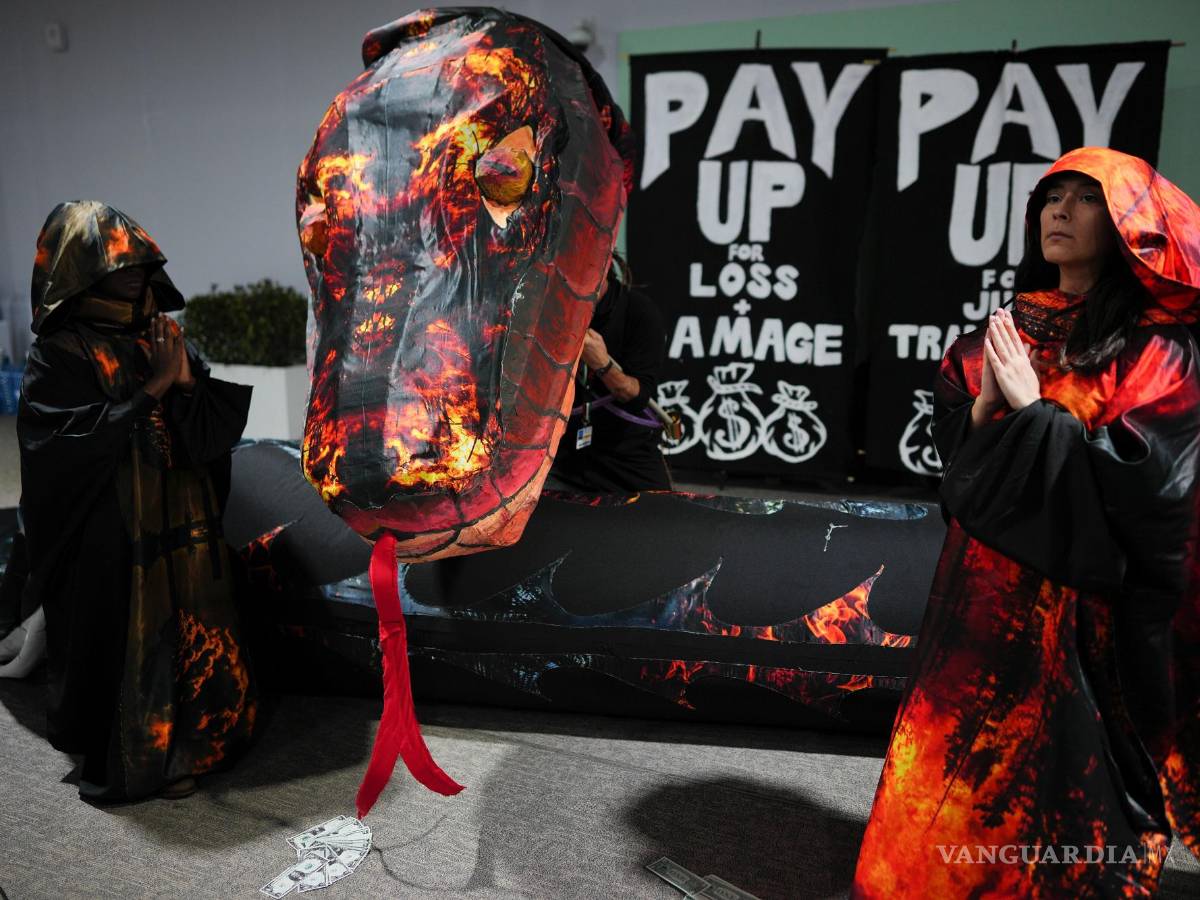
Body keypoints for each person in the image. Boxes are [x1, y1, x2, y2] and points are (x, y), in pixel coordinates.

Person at [852, 148, 1200, 897]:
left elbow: (1155, 485)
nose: (1059, 212)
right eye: (1051, 198)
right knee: (965, 756)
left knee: (1067, 765)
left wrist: (1038, 411)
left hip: (1082, 613)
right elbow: (959, 447)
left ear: (1131, 227)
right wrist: (985, 409)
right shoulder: (1008, 329)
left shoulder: (1155, 346)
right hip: (980, 596)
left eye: (1083, 199)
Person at [18, 201, 256, 802]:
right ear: (78, 268)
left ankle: (195, 744)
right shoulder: (62, 351)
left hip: (182, 515)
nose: (136, 269)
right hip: (114, 529)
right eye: (117, 261)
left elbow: (205, 432)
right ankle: (133, 758)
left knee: (195, 627)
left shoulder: (162, 331)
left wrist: (182, 385)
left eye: (141, 260)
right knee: (120, 631)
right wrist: (151, 387)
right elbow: (60, 451)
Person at [549, 255, 672, 493]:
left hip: (624, 454)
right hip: (564, 454)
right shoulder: (555, 311)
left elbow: (636, 396)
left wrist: (602, 364)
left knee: (664, 520)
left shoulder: (638, 311)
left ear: (604, 268)